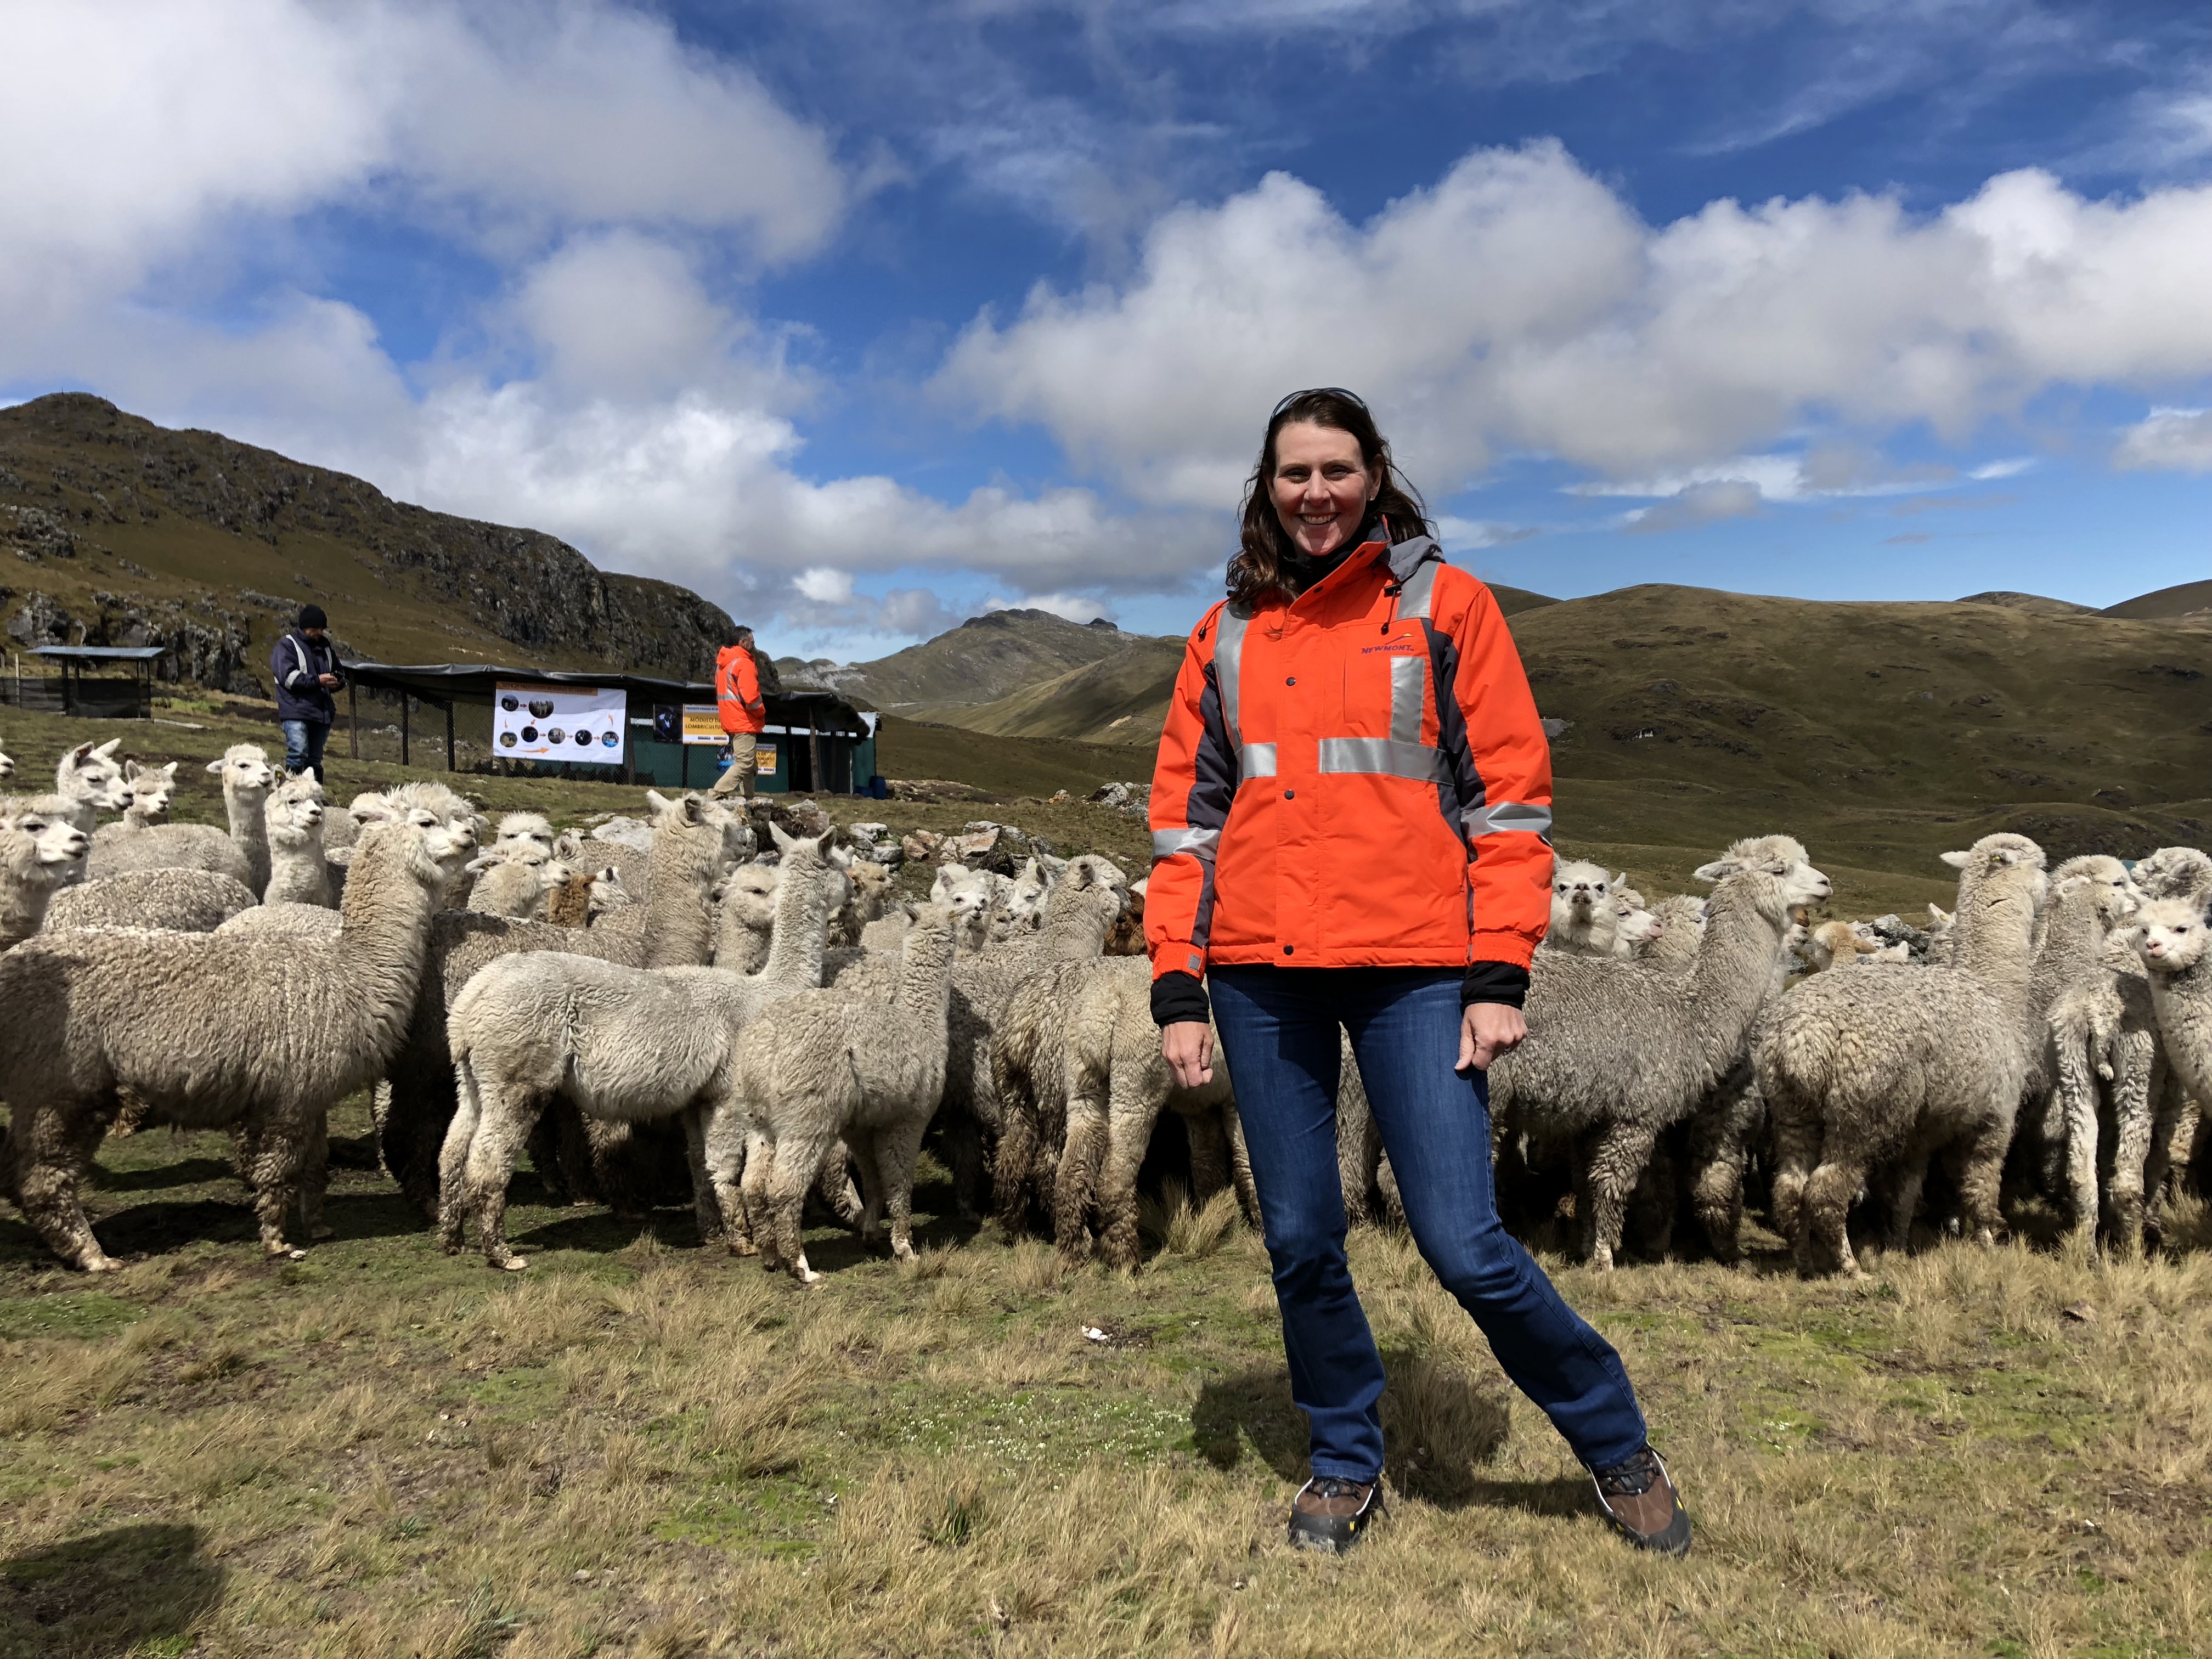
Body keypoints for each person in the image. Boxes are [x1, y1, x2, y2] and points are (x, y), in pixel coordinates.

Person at [1147, 388, 1688, 1558]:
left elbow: (1511, 803)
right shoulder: (1226, 633)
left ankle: (1615, 1441)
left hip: (1417, 968)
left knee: (1461, 1239)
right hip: (1260, 972)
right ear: (1265, 487)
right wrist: (1178, 985)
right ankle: (1345, 1459)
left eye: (1337, 470)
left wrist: (1500, 971)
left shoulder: (1449, 607)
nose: (1317, 495)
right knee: (1298, 1233)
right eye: (1294, 474)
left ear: (1377, 475)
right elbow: (1185, 825)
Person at [270, 603, 343, 782]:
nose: (320, 632)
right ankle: (289, 793)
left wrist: (337, 682)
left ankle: (314, 796)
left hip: (321, 713)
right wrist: (319, 680)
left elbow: (340, 673)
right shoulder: (287, 646)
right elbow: (289, 679)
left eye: (322, 628)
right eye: (315, 629)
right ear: (305, 627)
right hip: (296, 710)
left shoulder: (326, 649)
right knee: (298, 752)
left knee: (314, 760)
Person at [709, 626, 768, 802]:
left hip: (731, 720)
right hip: (744, 721)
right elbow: (751, 699)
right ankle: (714, 795)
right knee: (744, 764)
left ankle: (749, 799)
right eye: (752, 642)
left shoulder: (724, 665)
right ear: (743, 643)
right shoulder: (744, 663)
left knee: (749, 765)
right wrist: (762, 712)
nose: (754, 645)